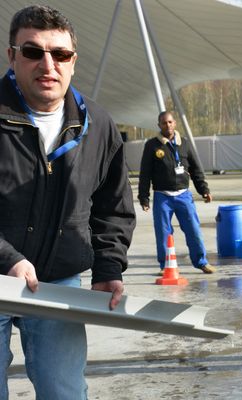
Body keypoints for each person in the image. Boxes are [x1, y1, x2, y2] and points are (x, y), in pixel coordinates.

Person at [0, 5, 136, 398]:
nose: (48, 64)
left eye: (60, 54)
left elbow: (113, 207)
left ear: (73, 61)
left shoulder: (99, 124)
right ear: (12, 56)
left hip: (58, 281)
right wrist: (7, 258)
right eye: (32, 51)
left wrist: (109, 266)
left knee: (65, 391)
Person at [138, 111, 215, 274]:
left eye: (170, 122)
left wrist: (204, 190)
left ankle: (201, 261)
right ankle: (165, 266)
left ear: (175, 123)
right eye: (164, 123)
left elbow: (196, 170)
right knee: (163, 233)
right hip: (162, 197)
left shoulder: (185, 144)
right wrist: (144, 198)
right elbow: (145, 174)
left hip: (184, 195)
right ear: (159, 125)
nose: (168, 125)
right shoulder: (152, 146)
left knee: (194, 230)